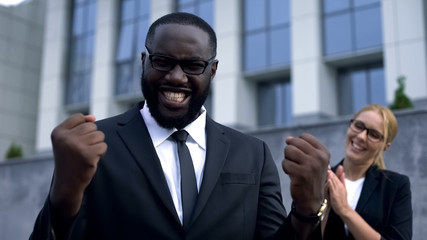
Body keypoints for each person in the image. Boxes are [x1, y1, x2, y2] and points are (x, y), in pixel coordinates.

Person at [30, 12, 330, 240]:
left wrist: (308, 209)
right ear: (144, 61)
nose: (176, 76)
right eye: (162, 61)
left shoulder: (253, 153)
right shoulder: (95, 145)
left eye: (192, 66)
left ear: (212, 71)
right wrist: (63, 194)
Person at [321, 104, 412, 239]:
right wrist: (323, 207)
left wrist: (345, 210)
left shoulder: (395, 186)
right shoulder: (321, 178)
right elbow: (301, 235)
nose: (362, 136)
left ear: (385, 147)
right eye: (358, 126)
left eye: (374, 134)